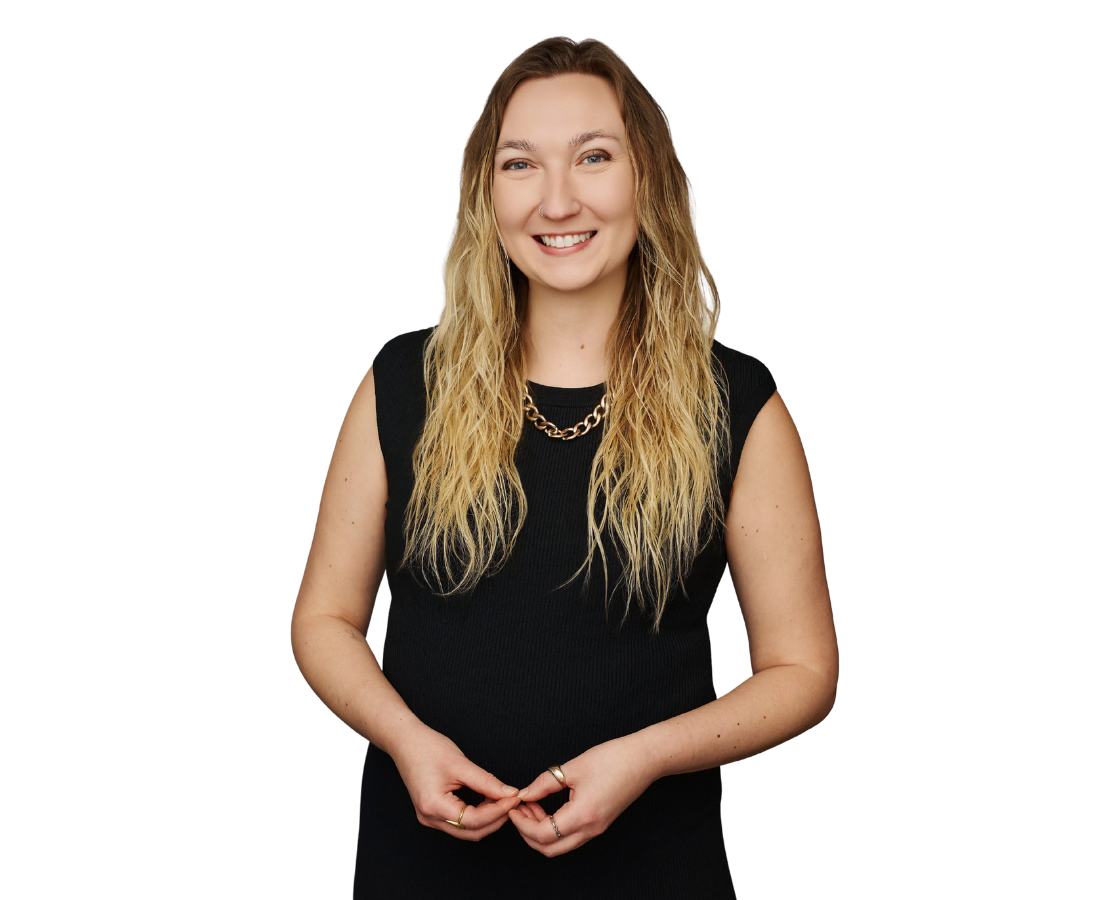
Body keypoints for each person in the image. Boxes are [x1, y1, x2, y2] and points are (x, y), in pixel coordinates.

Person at [291, 36, 839, 899]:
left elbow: (804, 672)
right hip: (418, 877)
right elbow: (321, 622)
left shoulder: (741, 405)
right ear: (486, 194)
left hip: (657, 875)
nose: (557, 200)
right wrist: (403, 740)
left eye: (593, 157)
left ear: (647, 179)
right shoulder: (401, 383)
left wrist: (647, 756)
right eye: (520, 164)